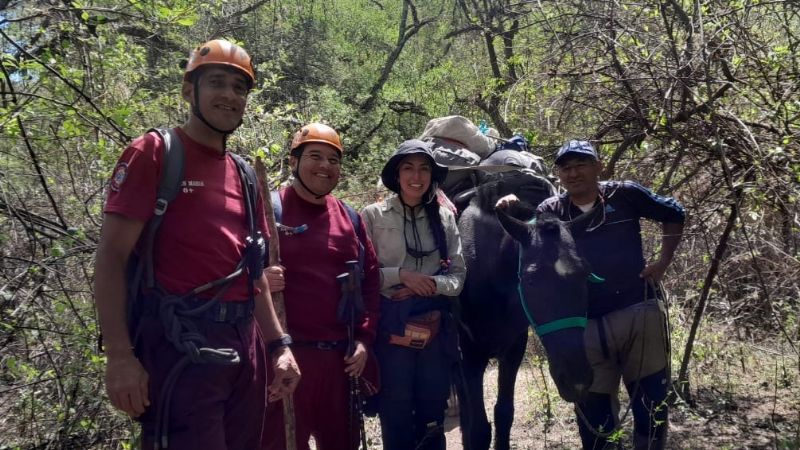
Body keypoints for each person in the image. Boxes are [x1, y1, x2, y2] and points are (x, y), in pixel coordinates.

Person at [94, 39, 300, 450]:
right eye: (217, 82)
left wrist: (279, 345)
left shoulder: (243, 174)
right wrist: (119, 356)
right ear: (189, 90)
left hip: (244, 344)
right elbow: (111, 257)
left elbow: (253, 274)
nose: (229, 95)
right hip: (179, 345)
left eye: (240, 88)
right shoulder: (154, 153)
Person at [536, 140, 685, 450]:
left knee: (651, 412)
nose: (573, 173)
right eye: (566, 168)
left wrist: (663, 262)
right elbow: (534, 255)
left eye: (581, 165)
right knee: (595, 426)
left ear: (598, 166)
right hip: (585, 329)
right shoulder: (551, 211)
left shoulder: (625, 193)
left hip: (638, 314)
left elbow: (674, 212)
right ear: (559, 175)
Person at [261, 122, 381, 450]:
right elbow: (239, 276)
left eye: (334, 160)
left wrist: (364, 341)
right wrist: (260, 278)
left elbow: (370, 282)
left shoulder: (349, 218)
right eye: (315, 156)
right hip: (287, 360)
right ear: (293, 162)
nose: (325, 166)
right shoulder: (270, 213)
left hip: (340, 363)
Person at [361, 139, 466, 450]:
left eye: (424, 169)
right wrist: (401, 276)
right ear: (397, 174)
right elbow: (363, 276)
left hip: (434, 328)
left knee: (434, 411)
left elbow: (458, 276)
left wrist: (430, 284)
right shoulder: (373, 216)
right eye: (408, 168)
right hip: (391, 331)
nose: (416, 176)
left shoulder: (445, 217)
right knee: (395, 410)